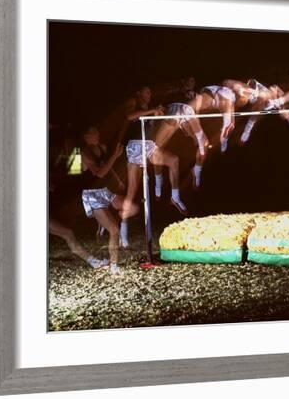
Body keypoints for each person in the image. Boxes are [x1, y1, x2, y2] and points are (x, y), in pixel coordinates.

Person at [122, 85, 189, 232]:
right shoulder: (133, 102)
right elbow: (129, 117)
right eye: (146, 92)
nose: (149, 95)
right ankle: (123, 226)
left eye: (150, 92)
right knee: (132, 190)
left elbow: (153, 126)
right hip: (135, 146)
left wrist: (160, 117)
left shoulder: (151, 107)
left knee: (173, 160)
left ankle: (175, 196)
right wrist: (152, 111)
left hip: (149, 145)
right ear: (139, 92)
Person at [80, 126, 139, 276]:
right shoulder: (84, 153)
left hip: (105, 191)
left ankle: (102, 223)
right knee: (114, 230)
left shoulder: (102, 147)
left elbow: (108, 166)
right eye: (93, 133)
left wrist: (118, 179)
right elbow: (99, 173)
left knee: (132, 208)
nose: (97, 135)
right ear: (86, 137)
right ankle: (114, 267)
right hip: (91, 195)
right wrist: (115, 156)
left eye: (97, 132)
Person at [153, 84, 236, 189]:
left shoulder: (228, 102)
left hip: (188, 115)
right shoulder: (210, 96)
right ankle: (158, 178)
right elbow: (188, 108)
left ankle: (196, 170)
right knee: (157, 147)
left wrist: (223, 140)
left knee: (204, 144)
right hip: (180, 112)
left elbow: (229, 124)